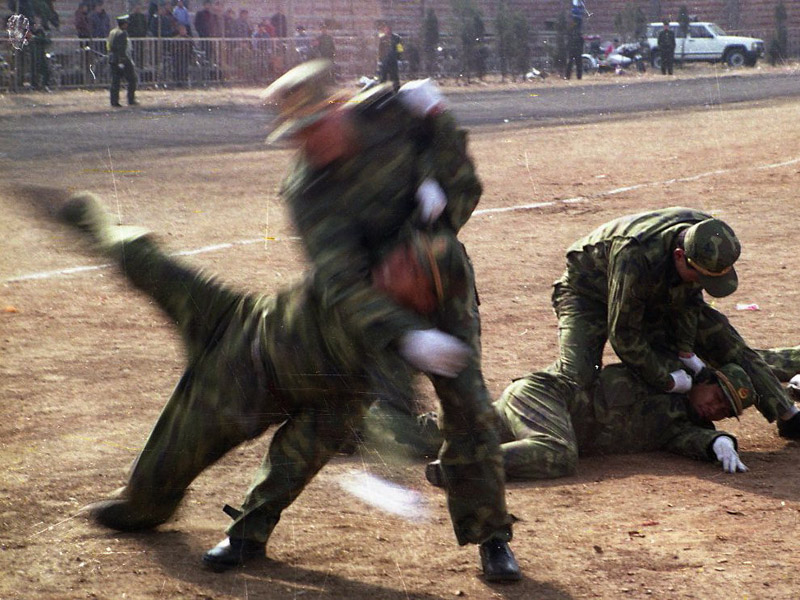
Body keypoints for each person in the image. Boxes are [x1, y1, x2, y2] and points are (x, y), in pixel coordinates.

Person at [263, 60, 521, 581]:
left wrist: (439, 125)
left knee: (469, 408)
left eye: (315, 127)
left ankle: (492, 538)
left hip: (438, 278)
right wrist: (408, 335)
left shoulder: (389, 116)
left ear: (338, 108)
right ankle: (250, 528)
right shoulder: (307, 193)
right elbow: (342, 283)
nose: (309, 143)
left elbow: (464, 189)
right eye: (298, 136)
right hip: (376, 300)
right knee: (357, 401)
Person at [550, 207, 800, 435]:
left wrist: (686, 350)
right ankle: (540, 422)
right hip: (587, 294)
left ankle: (788, 414)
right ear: (680, 256)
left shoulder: (706, 237)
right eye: (700, 277)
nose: (702, 283)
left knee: (726, 342)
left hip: (660, 287)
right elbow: (625, 336)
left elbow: (690, 300)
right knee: (578, 376)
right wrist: (667, 380)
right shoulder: (635, 255)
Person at [424, 346, 800, 485]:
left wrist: (718, 440)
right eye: (718, 397)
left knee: (435, 433)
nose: (715, 409)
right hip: (546, 396)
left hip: (529, 417)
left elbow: (687, 438)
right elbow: (651, 339)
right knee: (556, 453)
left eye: (725, 412)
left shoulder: (684, 424)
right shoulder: (659, 372)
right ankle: (462, 467)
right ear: (706, 378)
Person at [106, 14, 138, 107]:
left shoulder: (112, 32)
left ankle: (114, 101)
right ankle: (131, 99)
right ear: (123, 24)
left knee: (115, 82)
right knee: (132, 79)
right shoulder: (122, 33)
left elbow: (108, 45)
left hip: (112, 58)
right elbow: (121, 49)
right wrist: (122, 61)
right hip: (121, 59)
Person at [377, 21, 402, 92]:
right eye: (386, 29)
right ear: (384, 30)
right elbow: (380, 50)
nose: (388, 30)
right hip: (385, 61)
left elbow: (400, 48)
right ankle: (381, 92)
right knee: (383, 77)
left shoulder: (397, 38)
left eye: (389, 29)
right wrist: (379, 60)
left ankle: (397, 91)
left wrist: (399, 59)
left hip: (393, 60)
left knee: (395, 77)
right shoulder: (382, 38)